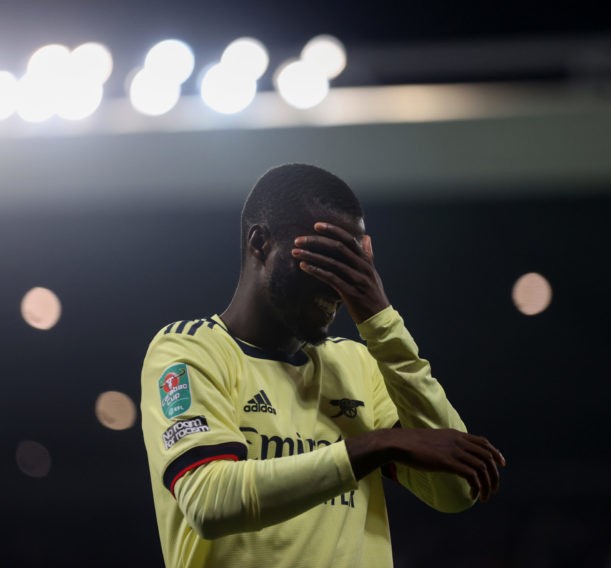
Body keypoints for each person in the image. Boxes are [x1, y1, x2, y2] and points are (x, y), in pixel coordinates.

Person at [140, 163, 506, 568]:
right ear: (261, 243)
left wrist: (382, 321)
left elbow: (456, 490)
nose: (339, 284)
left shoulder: (357, 364)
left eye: (353, 262)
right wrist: (375, 445)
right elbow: (209, 502)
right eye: (324, 257)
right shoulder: (189, 349)